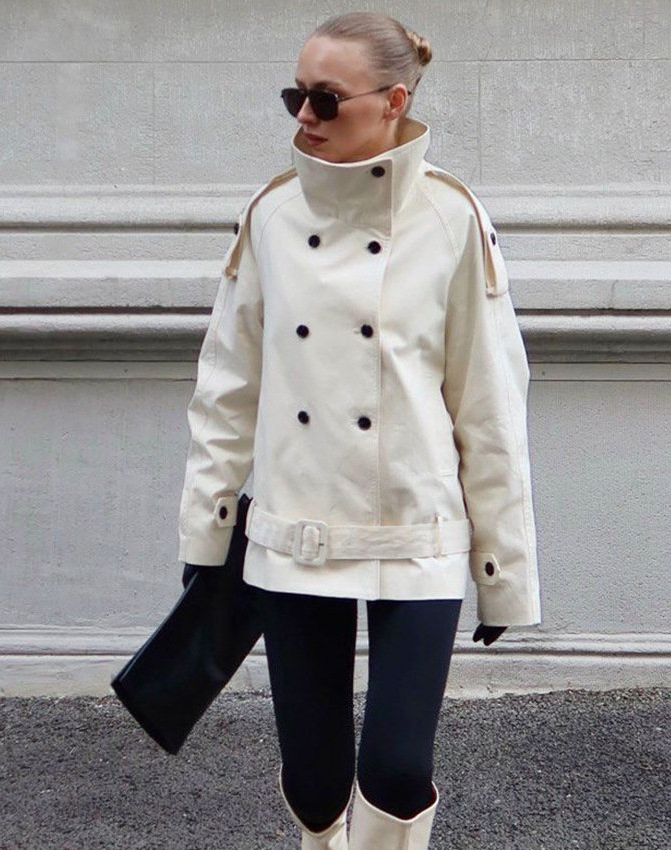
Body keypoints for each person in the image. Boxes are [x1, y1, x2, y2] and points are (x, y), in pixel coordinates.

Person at [176, 11, 541, 849]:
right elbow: (227, 386)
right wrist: (207, 529)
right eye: (294, 96)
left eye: (326, 99)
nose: (304, 116)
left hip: (417, 529)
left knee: (397, 771)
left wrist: (504, 569)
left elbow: (488, 402)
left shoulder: (450, 218)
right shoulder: (271, 215)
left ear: (394, 101)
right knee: (315, 782)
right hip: (296, 530)